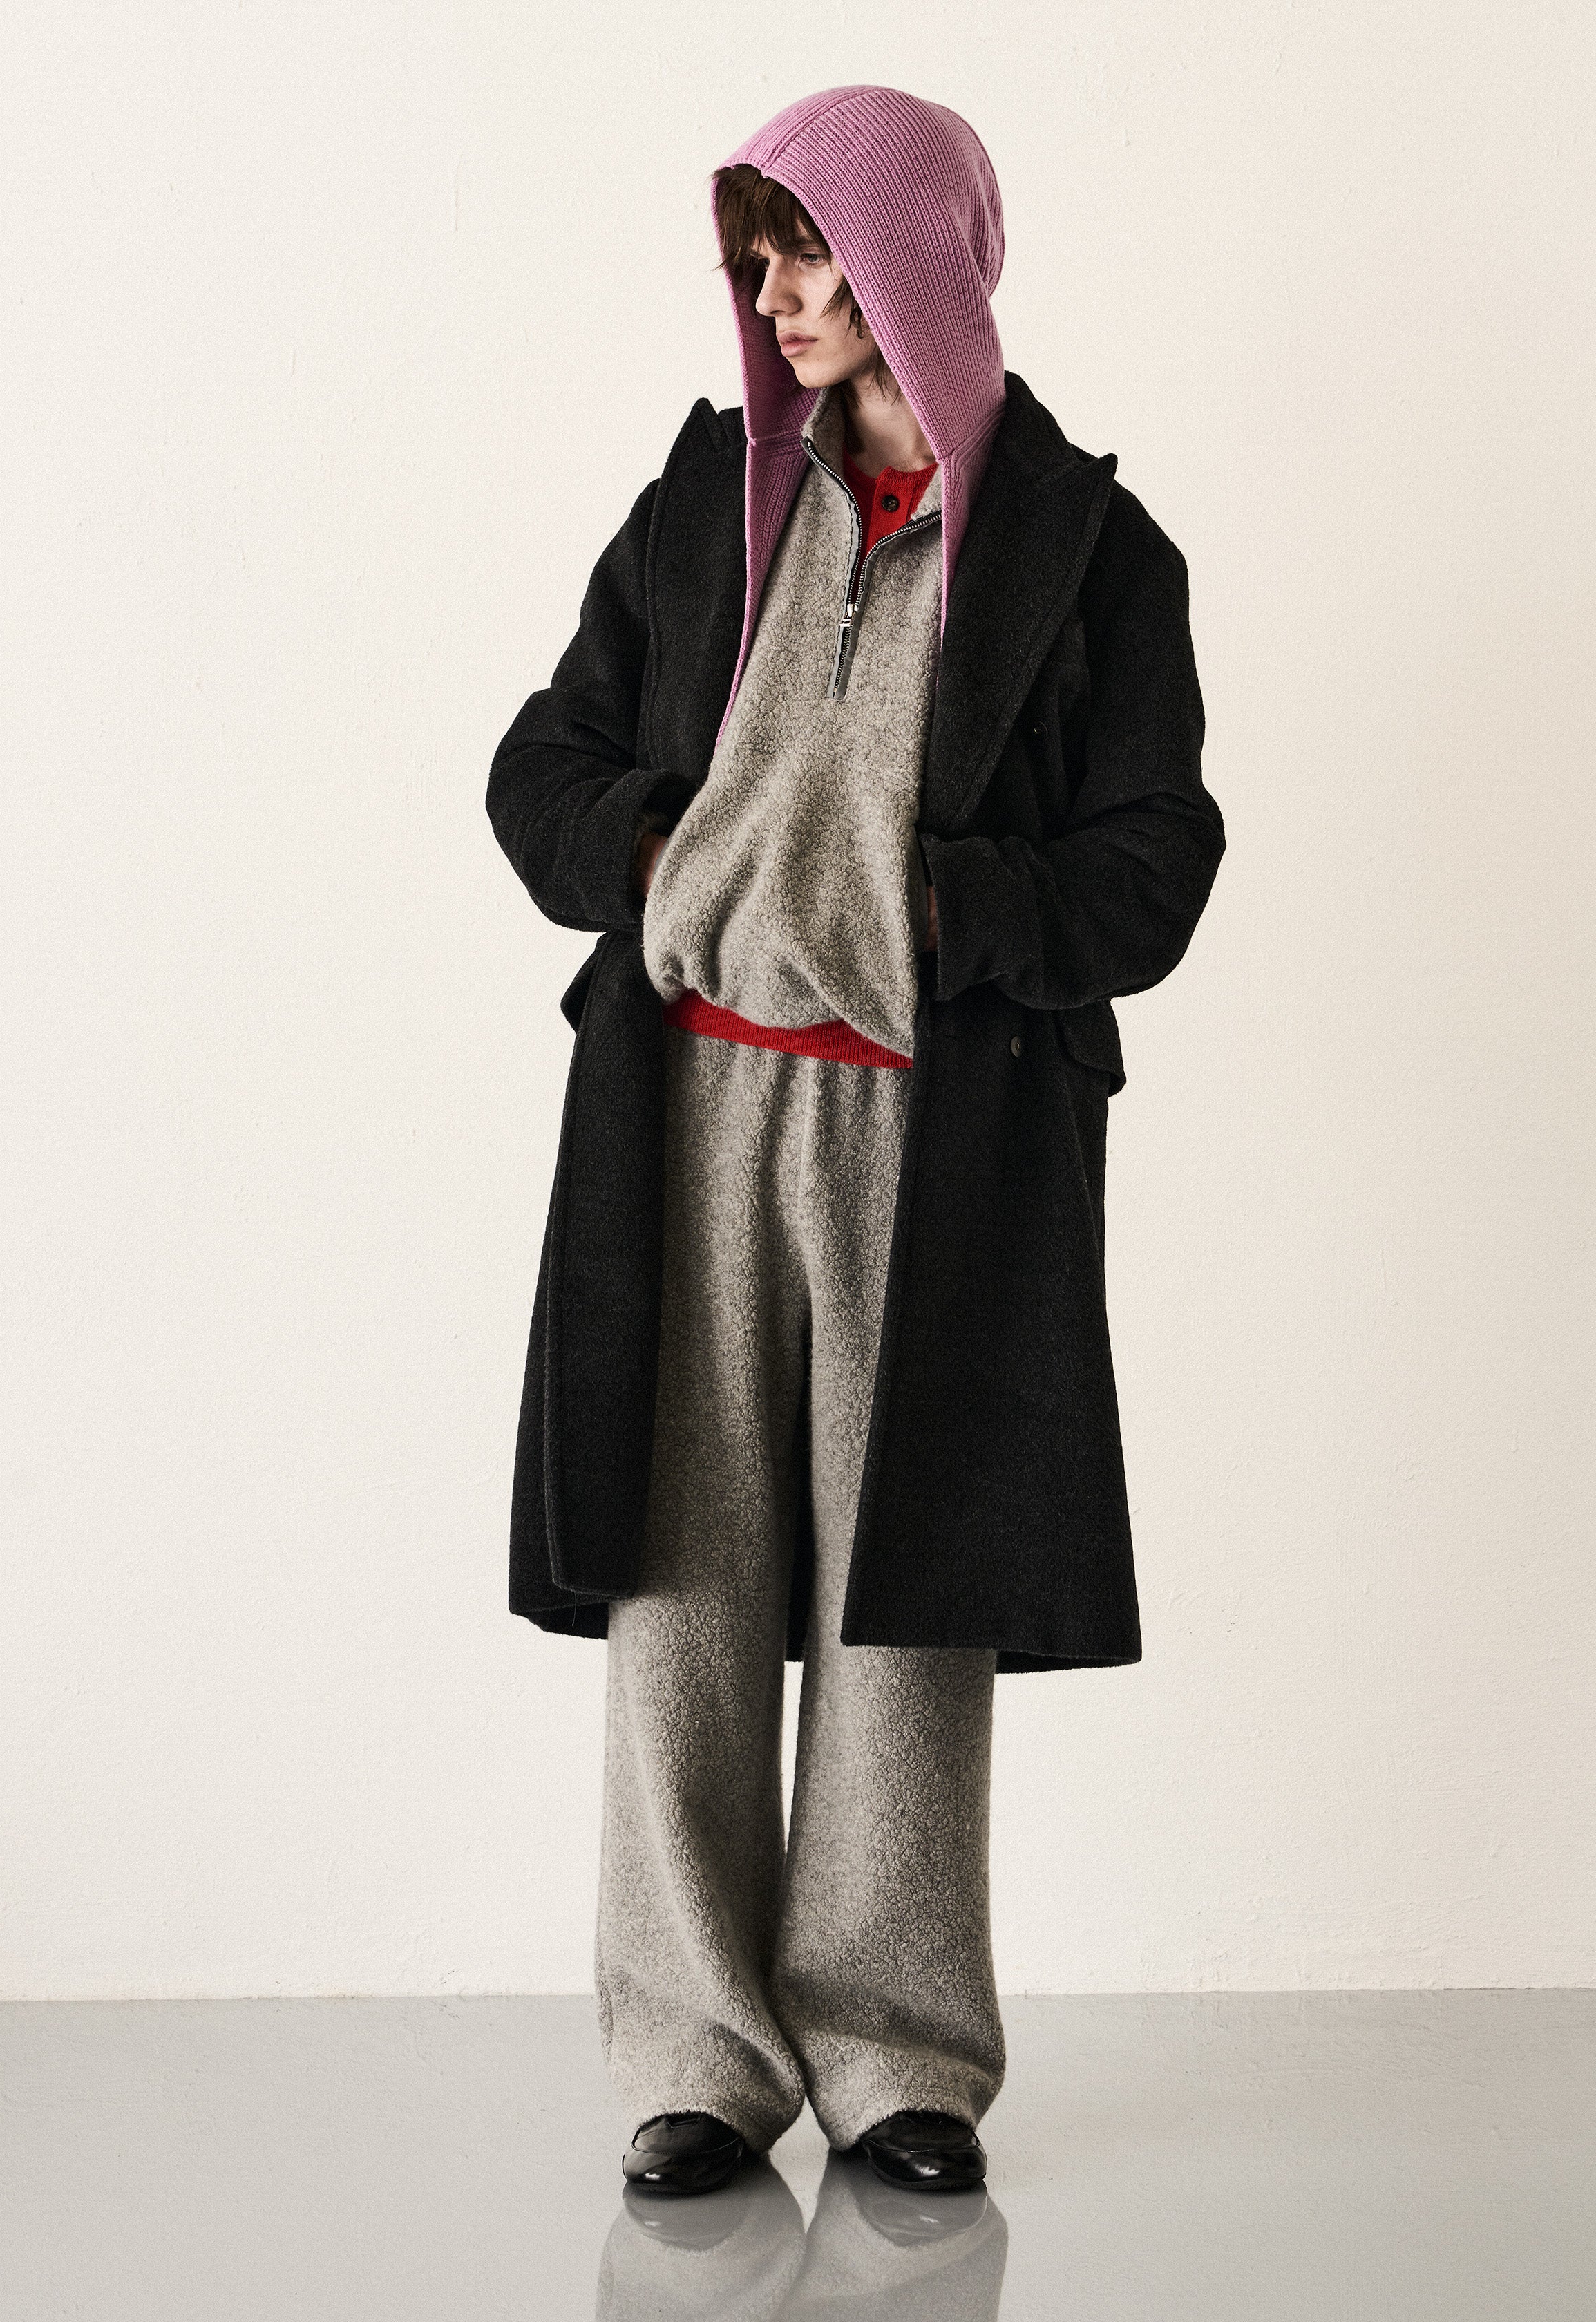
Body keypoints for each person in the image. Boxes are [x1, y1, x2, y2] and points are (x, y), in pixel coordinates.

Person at [485, 84, 1225, 2201]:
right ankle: (696, 2057)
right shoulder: (705, 501)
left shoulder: (1090, 555)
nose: (779, 298)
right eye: (760, 257)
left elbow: (1155, 863)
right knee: (686, 1585)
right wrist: (663, 860)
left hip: (940, 1131)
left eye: (810, 251)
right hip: (688, 1118)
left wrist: (935, 912)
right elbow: (539, 764)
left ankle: (899, 2057)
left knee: (907, 1603)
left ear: (916, 258)